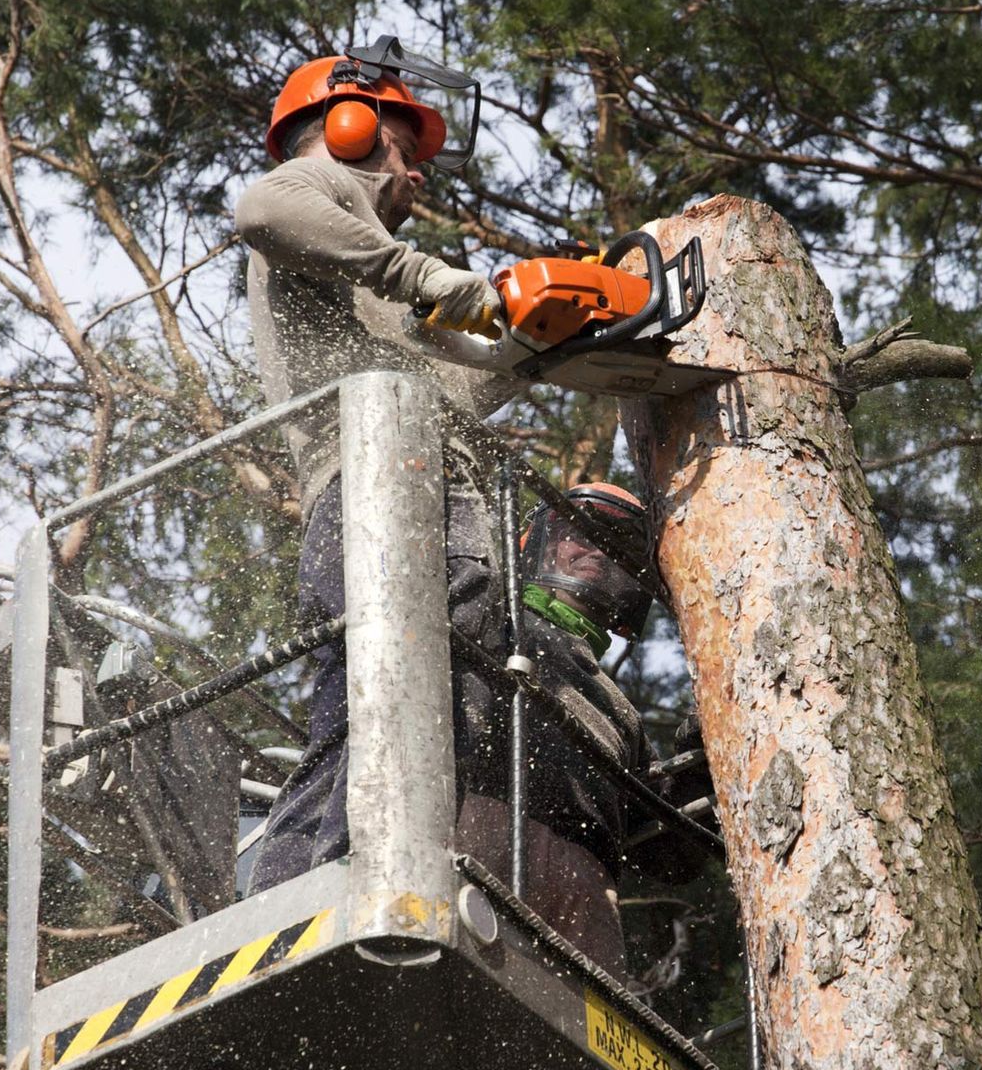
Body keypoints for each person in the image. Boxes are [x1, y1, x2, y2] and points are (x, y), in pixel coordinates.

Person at [238, 51, 521, 891]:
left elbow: (467, 382)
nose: (414, 171)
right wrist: (427, 275)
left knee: (355, 724)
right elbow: (260, 207)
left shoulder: (374, 278)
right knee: (422, 693)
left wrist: (537, 343)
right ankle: (354, 881)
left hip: (392, 490)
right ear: (349, 128)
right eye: (402, 147)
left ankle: (288, 904)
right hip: (381, 491)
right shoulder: (307, 201)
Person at [457, 483, 664, 974]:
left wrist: (704, 759)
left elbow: (668, 851)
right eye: (579, 533)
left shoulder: (620, 712)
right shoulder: (490, 617)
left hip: (585, 899)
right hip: (479, 843)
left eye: (615, 545)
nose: (595, 549)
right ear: (540, 544)